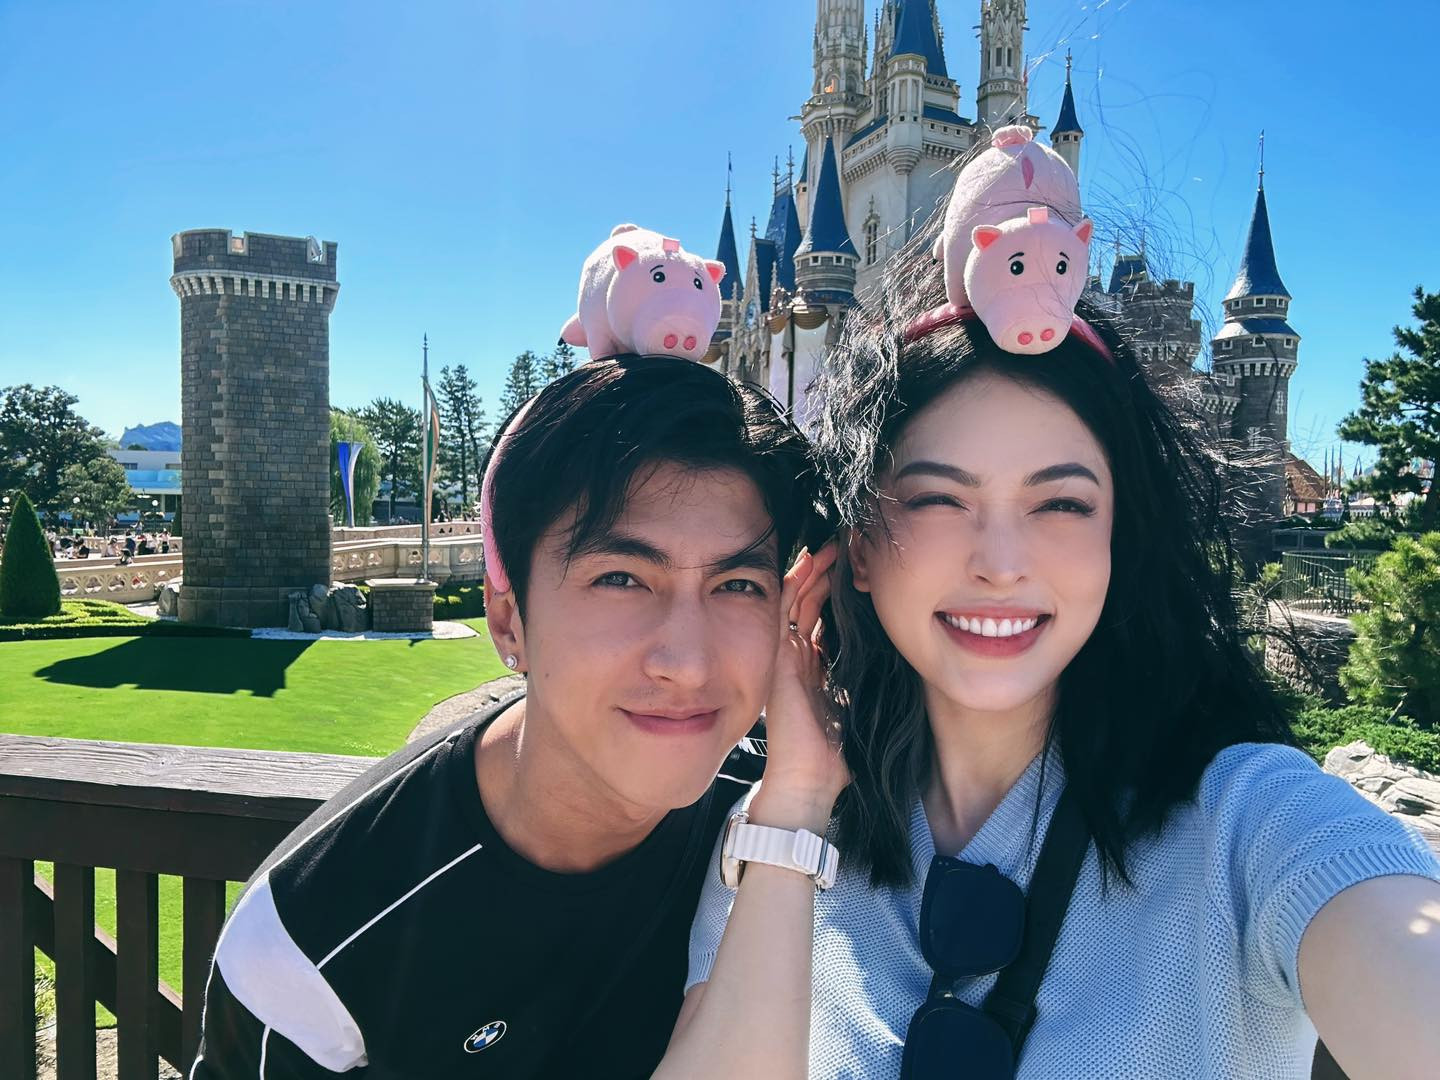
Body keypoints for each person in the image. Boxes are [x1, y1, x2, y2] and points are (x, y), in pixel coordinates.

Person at [669, 176, 1440, 1077]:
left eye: (1062, 504)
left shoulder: (1254, 830)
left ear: (1121, 537)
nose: (1001, 563)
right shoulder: (773, 839)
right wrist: (796, 806)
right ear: (859, 551)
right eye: (938, 499)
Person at [189, 355, 824, 1078]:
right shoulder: (315, 933)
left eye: (738, 584)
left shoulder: (785, 811)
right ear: (508, 619)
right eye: (620, 578)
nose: (689, 664)